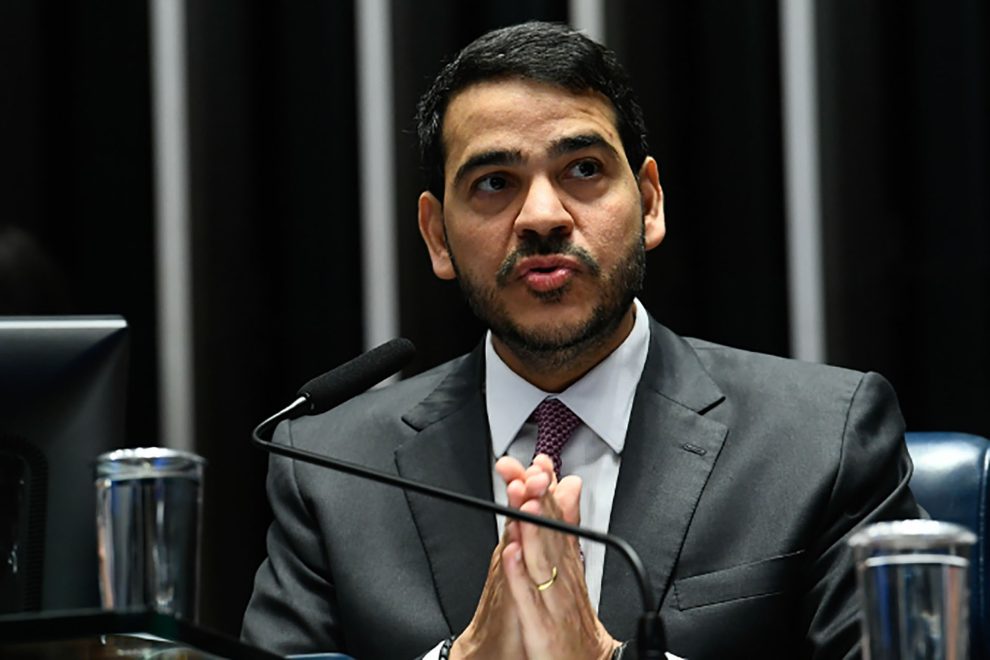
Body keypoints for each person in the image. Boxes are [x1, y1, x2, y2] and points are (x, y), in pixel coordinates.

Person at [242, 21, 918, 659]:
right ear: (437, 236)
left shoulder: (819, 441)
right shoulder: (330, 471)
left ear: (649, 201)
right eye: (494, 183)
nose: (542, 216)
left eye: (584, 169)